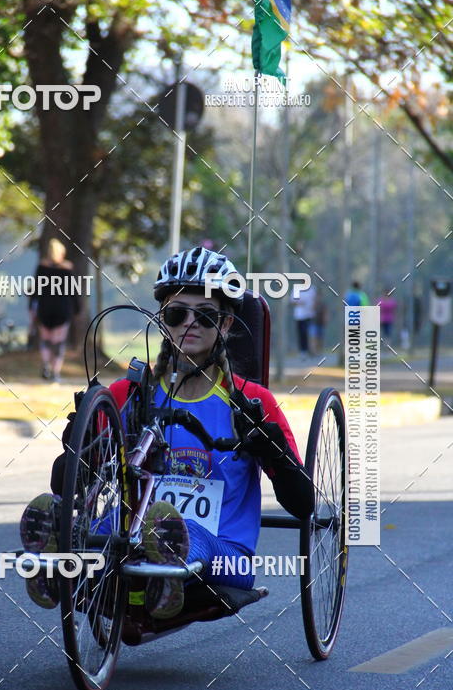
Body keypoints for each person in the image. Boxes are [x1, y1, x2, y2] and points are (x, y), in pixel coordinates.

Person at [21, 246, 314, 618]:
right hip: (130, 536)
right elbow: (66, 484)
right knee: (101, 526)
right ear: (162, 319)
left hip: (223, 554)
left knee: (185, 530)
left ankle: (159, 568)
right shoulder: (128, 394)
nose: (189, 324)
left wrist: (275, 453)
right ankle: (59, 556)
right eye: (177, 314)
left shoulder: (251, 401)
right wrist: (79, 444)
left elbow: (303, 505)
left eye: (205, 317)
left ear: (225, 325)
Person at [32, 239, 77, 381]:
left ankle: (46, 365)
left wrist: (32, 308)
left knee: (45, 340)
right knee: (58, 342)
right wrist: (77, 308)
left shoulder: (41, 267)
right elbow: (73, 291)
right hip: (62, 309)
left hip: (44, 308)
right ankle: (55, 372)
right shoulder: (67, 268)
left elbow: (35, 290)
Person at [290, 282, 317, 358]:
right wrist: (300, 303)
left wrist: (314, 306)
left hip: (310, 314)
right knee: (302, 333)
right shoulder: (296, 289)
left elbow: (315, 299)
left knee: (311, 333)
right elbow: (292, 301)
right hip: (299, 315)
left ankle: (312, 350)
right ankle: (303, 351)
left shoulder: (312, 289)